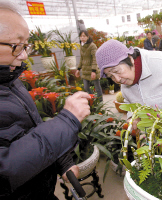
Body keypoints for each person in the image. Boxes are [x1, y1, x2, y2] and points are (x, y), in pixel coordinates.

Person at [0, 1, 91, 199]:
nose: (24, 55)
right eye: (16, 45)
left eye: (26, 45)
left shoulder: (10, 79)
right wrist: (67, 120)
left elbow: (30, 131)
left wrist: (62, 162)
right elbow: (4, 171)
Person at [75, 30, 103, 101]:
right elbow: (82, 58)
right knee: (86, 87)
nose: (82, 37)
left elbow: (95, 58)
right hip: (85, 70)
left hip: (93, 70)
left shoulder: (92, 46)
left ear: (87, 37)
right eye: (81, 36)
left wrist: (93, 71)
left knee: (97, 88)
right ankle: (93, 100)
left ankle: (100, 102)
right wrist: (78, 69)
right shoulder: (81, 46)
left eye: (84, 36)